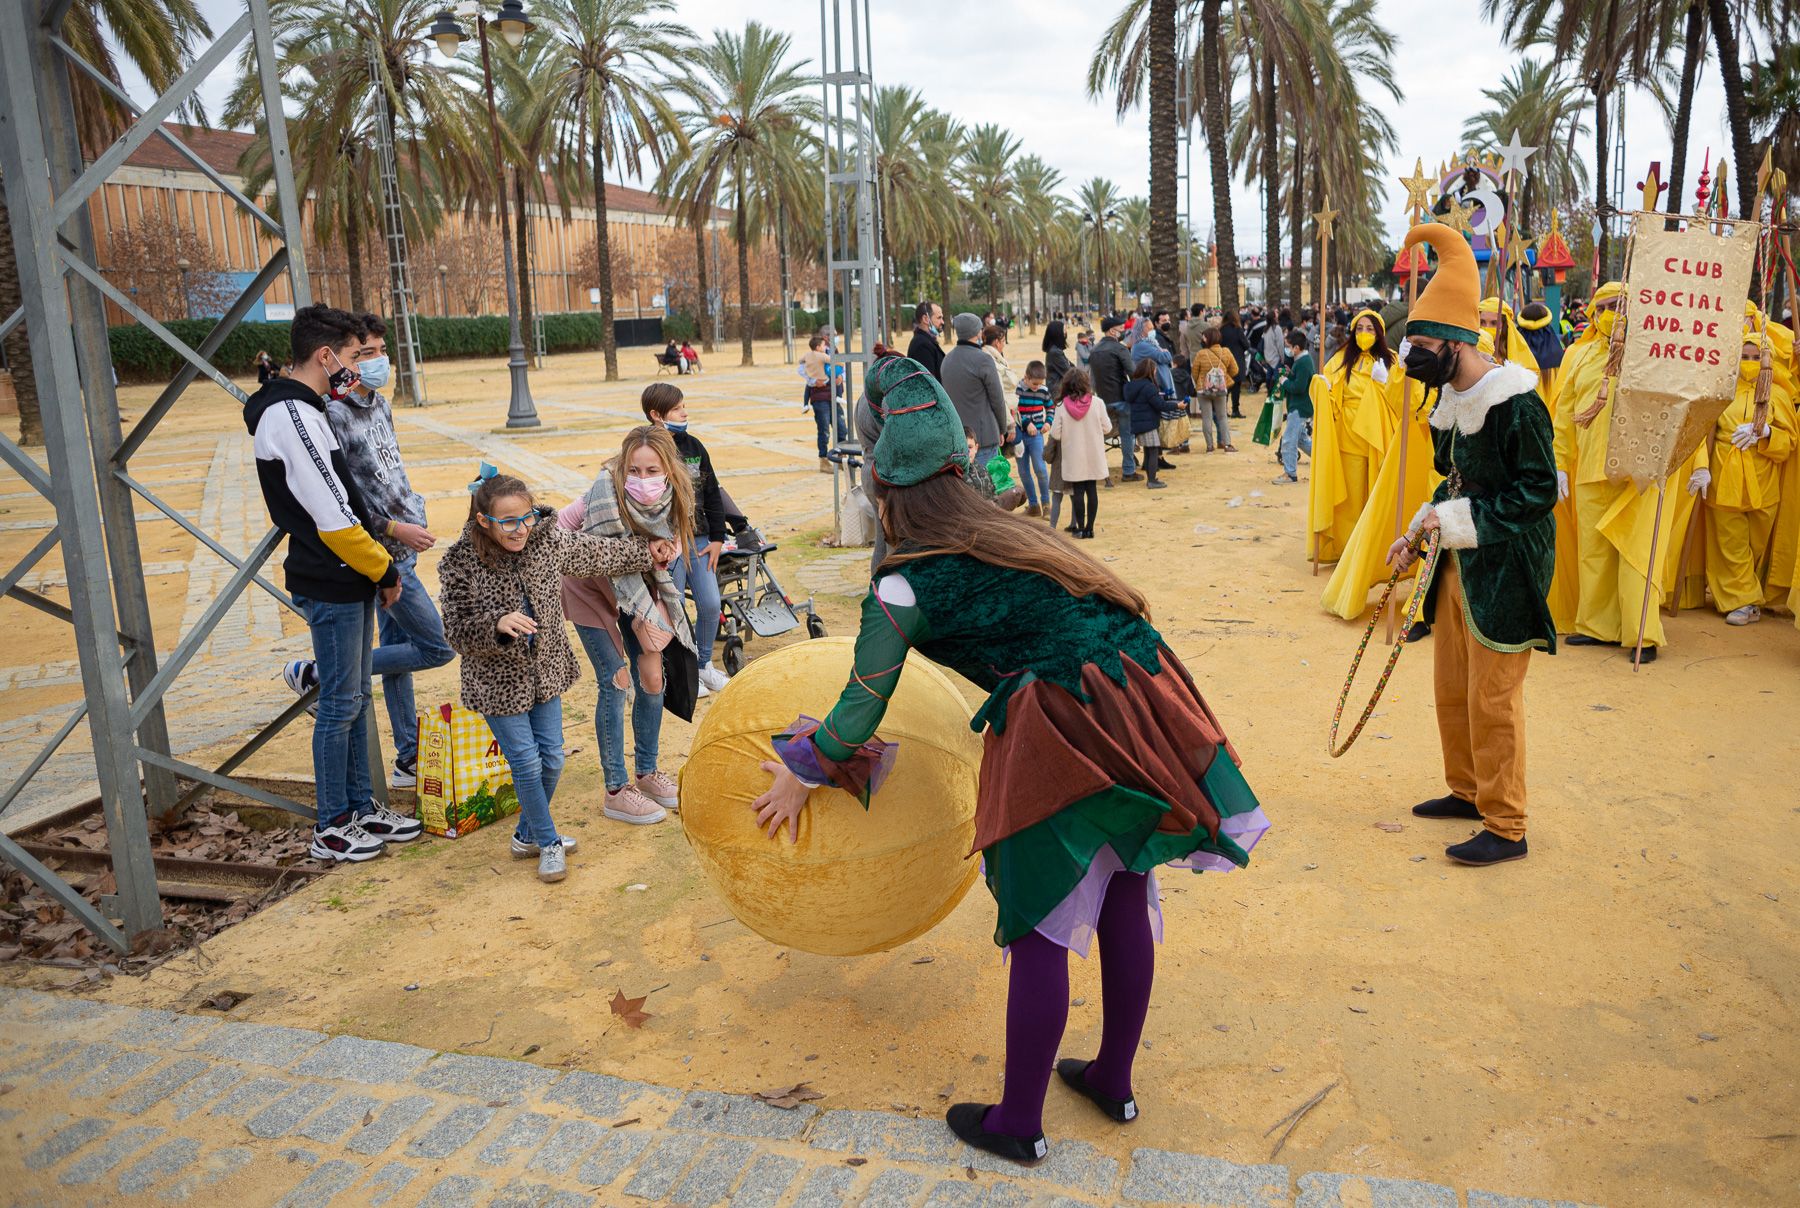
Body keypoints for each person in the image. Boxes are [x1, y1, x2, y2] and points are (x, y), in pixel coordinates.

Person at [751, 353, 1266, 1163]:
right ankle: (1113, 1080)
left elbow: (860, 706)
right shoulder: (1012, 527)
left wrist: (803, 764)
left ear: (881, 484)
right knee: (1127, 879)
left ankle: (1018, 1122)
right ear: (959, 466)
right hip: (1137, 694)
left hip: (1059, 723)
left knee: (1040, 925)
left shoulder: (905, 583)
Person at [1384, 221, 1556, 868]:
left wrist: (1454, 522)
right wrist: (1418, 533)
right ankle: (1467, 790)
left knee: (1492, 697)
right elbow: (1450, 481)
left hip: (1509, 566)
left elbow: (1538, 492)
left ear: (1457, 343)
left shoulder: (1515, 403)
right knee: (1451, 685)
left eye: (1422, 342)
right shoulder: (1448, 400)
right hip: (1460, 563)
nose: (1413, 353)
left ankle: (1506, 824)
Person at [252, 305, 420, 862]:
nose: (359, 368)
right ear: (326, 357)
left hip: (348, 576)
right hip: (331, 577)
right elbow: (335, 514)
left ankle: (359, 806)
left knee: (352, 699)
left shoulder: (308, 410)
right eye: (353, 357)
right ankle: (332, 822)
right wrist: (386, 569)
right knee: (340, 704)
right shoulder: (293, 416)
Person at [440, 467, 660, 879]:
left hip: (547, 672)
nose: (520, 529)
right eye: (508, 522)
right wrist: (497, 624)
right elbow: (454, 627)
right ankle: (548, 841)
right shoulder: (459, 560)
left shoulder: (546, 539)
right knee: (525, 763)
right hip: (496, 684)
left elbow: (596, 553)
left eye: (526, 518)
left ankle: (526, 834)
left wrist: (649, 551)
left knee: (553, 759)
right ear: (484, 520)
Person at [305, 313, 454, 789]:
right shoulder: (333, 414)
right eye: (364, 354)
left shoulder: (381, 405)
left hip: (402, 548)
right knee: (436, 647)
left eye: (379, 352)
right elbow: (340, 499)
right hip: (376, 555)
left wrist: (415, 513)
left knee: (396, 652)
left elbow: (389, 473)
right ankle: (317, 672)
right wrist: (394, 528)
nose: (376, 362)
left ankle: (408, 755)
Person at [559, 427, 697, 823]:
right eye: (633, 470)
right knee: (616, 681)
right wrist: (638, 551)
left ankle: (647, 771)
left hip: (640, 591)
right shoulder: (599, 496)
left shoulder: (677, 500)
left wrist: (661, 566)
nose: (641, 479)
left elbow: (667, 558)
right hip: (589, 590)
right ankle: (617, 789)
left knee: (653, 678)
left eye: (651, 469)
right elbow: (557, 538)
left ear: (668, 470)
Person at [1700, 316, 1796, 626]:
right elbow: (1705, 433)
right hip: (1725, 476)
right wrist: (1703, 468)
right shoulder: (1721, 391)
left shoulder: (1777, 396)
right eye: (1745, 356)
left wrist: (1766, 433)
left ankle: (1749, 595)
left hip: (1763, 480)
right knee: (1730, 542)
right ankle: (1742, 601)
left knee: (1755, 544)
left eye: (1757, 357)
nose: (1751, 362)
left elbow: (1789, 442)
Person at [642, 384, 730, 695]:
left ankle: (704, 665)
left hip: (701, 539)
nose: (685, 413)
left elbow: (713, 493)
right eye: (678, 408)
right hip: (666, 543)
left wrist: (718, 538)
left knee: (709, 603)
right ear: (656, 415)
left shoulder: (694, 447)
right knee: (673, 606)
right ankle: (678, 673)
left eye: (684, 406)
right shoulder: (644, 450)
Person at [1308, 311, 1397, 563]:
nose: (1364, 334)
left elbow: (1403, 398)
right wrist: (1321, 387)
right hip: (1349, 438)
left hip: (1379, 438)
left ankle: (1375, 550)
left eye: (1369, 329)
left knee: (1375, 498)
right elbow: (1331, 399)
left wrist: (1387, 382)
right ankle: (1349, 552)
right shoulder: (1339, 360)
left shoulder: (1391, 361)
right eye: (1359, 329)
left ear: (1379, 333)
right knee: (1350, 501)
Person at [943, 312, 1010, 467]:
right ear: (978, 331)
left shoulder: (947, 360)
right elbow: (997, 399)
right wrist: (1002, 428)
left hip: (958, 437)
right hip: (984, 435)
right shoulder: (984, 359)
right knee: (986, 485)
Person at [1088, 316, 1136, 483]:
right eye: (1120, 328)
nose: (1123, 331)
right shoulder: (1119, 349)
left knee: (1100, 436)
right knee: (1127, 434)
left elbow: (1092, 378)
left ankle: (1096, 470)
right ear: (1111, 330)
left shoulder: (1094, 351)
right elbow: (1133, 373)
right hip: (1121, 398)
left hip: (1101, 399)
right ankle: (1129, 470)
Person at [1271, 329, 1316, 485]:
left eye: (1288, 346)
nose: (1287, 349)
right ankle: (1324, 459)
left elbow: (1298, 387)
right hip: (1300, 407)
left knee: (1289, 440)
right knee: (1302, 440)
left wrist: (1285, 381)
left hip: (1299, 407)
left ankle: (1290, 473)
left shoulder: (1303, 363)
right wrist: (1290, 374)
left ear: (1296, 348)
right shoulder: (1302, 361)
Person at [1014, 360, 1055, 518]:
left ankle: (1046, 504)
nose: (1037, 386)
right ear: (1026, 377)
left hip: (1037, 435)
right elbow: (1014, 411)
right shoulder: (1017, 390)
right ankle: (1033, 505)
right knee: (1024, 471)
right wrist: (1026, 423)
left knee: (1040, 469)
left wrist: (1048, 422)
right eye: (1034, 383)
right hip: (1020, 435)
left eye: (1040, 383)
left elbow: (1050, 407)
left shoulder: (1043, 390)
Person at [1189, 328, 1238, 453]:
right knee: (1222, 417)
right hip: (1221, 389)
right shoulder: (1226, 352)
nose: (1202, 339)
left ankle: (1209, 446)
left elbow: (1194, 372)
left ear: (1209, 338)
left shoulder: (1201, 353)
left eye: (1204, 337)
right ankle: (1227, 444)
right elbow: (1235, 370)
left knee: (1207, 418)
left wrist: (1200, 381)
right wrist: (1225, 376)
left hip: (1203, 390)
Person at [1123, 359, 1168, 490]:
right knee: (1153, 450)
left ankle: (1151, 478)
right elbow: (1160, 405)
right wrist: (1177, 405)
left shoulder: (1132, 385)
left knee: (1149, 450)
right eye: (1154, 370)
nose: (1155, 372)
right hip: (1148, 422)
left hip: (1139, 422)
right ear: (1150, 371)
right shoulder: (1149, 386)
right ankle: (1152, 480)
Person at [801, 334, 842, 473]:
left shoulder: (832, 352)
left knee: (841, 428)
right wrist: (812, 381)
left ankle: (841, 457)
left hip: (834, 398)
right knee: (824, 430)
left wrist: (840, 377)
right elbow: (802, 369)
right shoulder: (815, 357)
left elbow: (839, 367)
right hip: (820, 399)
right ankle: (823, 460)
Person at [1219, 311, 1252, 418]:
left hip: (1224, 360)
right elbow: (1246, 344)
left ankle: (1223, 410)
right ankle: (1235, 410)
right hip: (1237, 360)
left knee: (1225, 386)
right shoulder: (1237, 329)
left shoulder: (1221, 330)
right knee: (1236, 387)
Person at [906, 300, 947, 381]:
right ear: (925, 319)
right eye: (939, 318)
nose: (942, 322)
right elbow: (928, 382)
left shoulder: (926, 341)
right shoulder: (922, 346)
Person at [1041, 320, 1074, 396]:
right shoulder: (1055, 352)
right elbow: (1069, 372)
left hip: (1058, 390)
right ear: (1057, 333)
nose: (1066, 332)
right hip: (1057, 393)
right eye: (1064, 330)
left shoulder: (1055, 350)